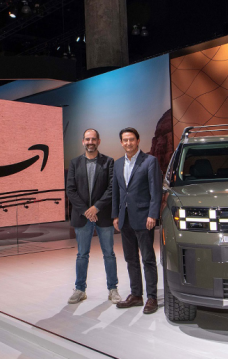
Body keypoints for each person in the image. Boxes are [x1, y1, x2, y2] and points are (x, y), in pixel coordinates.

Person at [65, 128, 121, 305]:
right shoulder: (74, 163)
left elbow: (112, 188)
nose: (90, 142)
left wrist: (96, 208)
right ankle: (80, 289)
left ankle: (113, 289)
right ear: (83, 141)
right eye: (87, 139)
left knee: (109, 254)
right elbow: (70, 190)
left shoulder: (108, 162)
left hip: (103, 216)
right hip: (82, 217)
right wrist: (86, 211)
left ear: (99, 141)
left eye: (93, 139)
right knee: (82, 254)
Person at [111, 127, 162, 314]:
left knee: (148, 259)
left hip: (143, 218)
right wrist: (115, 215)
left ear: (138, 141)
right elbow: (116, 192)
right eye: (125, 140)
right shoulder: (117, 164)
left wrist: (153, 214)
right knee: (130, 258)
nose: (128, 143)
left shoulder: (150, 161)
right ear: (121, 142)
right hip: (124, 219)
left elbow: (155, 191)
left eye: (131, 139)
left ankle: (152, 297)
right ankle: (136, 295)